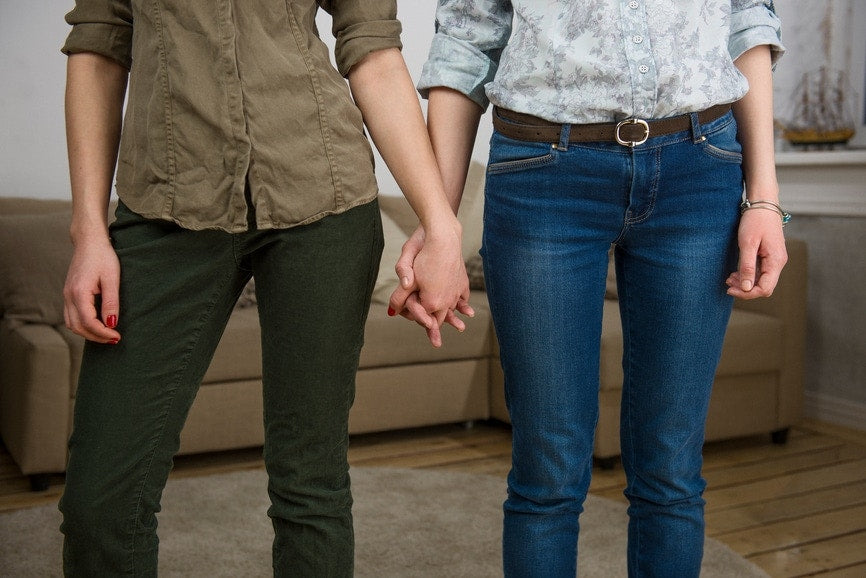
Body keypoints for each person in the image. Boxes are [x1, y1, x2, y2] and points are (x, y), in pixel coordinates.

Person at [58, 1, 471, 575]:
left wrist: (441, 230)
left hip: (323, 202)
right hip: (164, 206)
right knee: (100, 497)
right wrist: (89, 233)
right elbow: (98, 49)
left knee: (311, 484)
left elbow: (373, 51)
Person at [389, 1, 787, 576]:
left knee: (671, 470)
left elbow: (748, 17)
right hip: (542, 175)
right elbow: (467, 40)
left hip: (700, 171)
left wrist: (764, 194)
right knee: (547, 473)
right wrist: (440, 223)